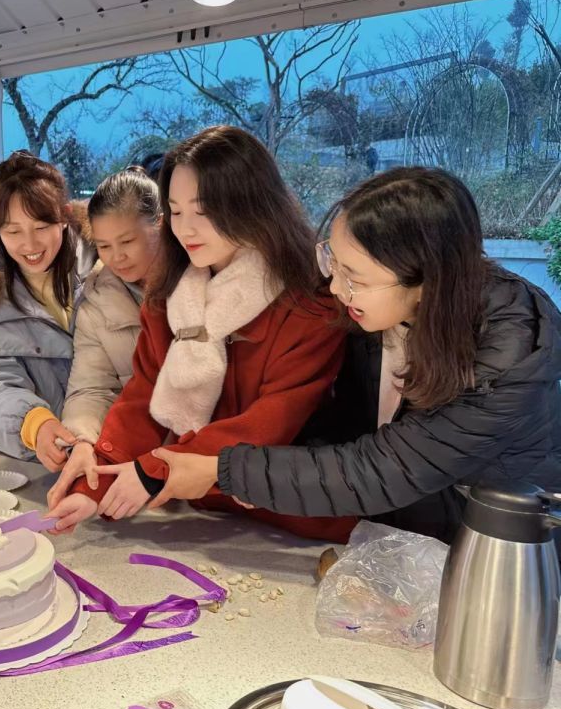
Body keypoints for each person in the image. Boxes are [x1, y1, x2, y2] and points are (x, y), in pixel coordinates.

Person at [147, 166, 561, 543]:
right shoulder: (376, 315)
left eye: (354, 277)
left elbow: (389, 469)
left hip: (498, 553)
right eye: (334, 262)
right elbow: (344, 428)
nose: (334, 287)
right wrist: (264, 476)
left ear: (427, 279)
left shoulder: (509, 350)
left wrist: (228, 471)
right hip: (404, 539)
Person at [47, 126, 355, 542]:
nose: (186, 229)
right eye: (176, 212)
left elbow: (269, 423)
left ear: (252, 202)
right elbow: (144, 396)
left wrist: (156, 470)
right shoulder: (170, 295)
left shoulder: (309, 302)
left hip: (289, 516)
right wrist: (93, 483)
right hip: (199, 508)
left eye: (203, 210)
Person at [0, 151, 96, 460]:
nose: (30, 245)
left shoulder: (108, 263)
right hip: (37, 461)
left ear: (64, 216)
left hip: (117, 452)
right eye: (13, 231)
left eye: (41, 227)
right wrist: (33, 424)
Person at [40, 167, 161, 507]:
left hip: (202, 466)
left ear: (161, 225)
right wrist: (83, 442)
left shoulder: (196, 282)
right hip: (132, 466)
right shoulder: (96, 298)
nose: (116, 257)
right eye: (104, 246)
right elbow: (91, 387)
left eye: (127, 242)